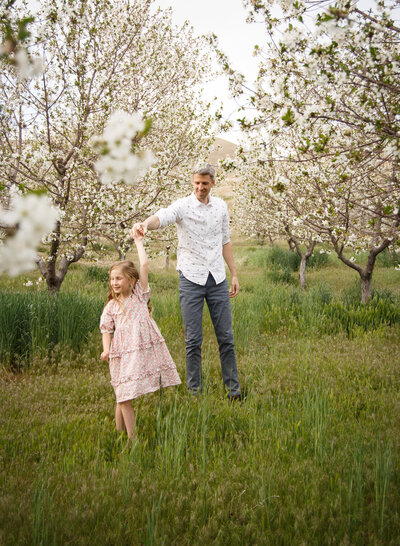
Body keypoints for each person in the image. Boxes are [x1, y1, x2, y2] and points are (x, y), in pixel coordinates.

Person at [131, 164, 241, 400]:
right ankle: (194, 393)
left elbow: (226, 242)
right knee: (193, 340)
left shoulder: (221, 206)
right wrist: (145, 225)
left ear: (212, 183)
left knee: (226, 338)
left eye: (205, 183)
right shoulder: (183, 205)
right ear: (193, 183)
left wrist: (233, 273)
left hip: (217, 278)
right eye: (197, 183)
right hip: (191, 279)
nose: (200, 187)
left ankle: (234, 391)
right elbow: (162, 216)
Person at [99, 232, 181, 440]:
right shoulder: (111, 306)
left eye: (119, 278)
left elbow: (144, 265)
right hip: (121, 354)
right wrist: (106, 349)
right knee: (121, 394)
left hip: (139, 351)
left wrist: (138, 242)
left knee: (124, 395)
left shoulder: (139, 296)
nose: (114, 282)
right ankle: (122, 436)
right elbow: (106, 329)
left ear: (132, 280)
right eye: (112, 279)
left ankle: (131, 440)